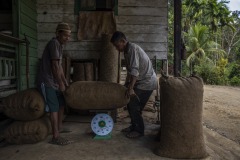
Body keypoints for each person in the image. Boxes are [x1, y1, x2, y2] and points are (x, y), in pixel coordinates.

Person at [111, 31, 157, 138]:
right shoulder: (127, 51)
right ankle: (134, 126)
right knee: (131, 103)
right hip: (143, 81)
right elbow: (130, 71)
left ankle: (139, 130)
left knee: (133, 104)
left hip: (147, 82)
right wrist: (126, 85)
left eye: (117, 46)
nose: (117, 49)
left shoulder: (132, 49)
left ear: (123, 41)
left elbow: (135, 71)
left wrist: (131, 88)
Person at [37, 22, 71, 145]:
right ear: (58, 34)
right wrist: (60, 83)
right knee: (54, 108)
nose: (68, 38)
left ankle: (59, 128)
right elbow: (54, 65)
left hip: (54, 81)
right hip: (47, 81)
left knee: (61, 104)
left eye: (69, 36)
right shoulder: (54, 43)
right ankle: (55, 137)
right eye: (65, 35)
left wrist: (64, 80)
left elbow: (59, 66)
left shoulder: (59, 46)